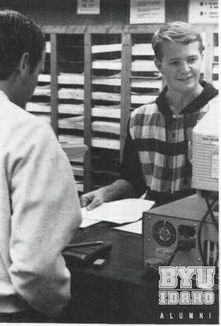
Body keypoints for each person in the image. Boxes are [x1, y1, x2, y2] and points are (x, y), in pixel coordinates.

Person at [0, 9, 81, 323]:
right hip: (7, 312)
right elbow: (36, 266)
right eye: (40, 69)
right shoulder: (28, 133)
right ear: (26, 63)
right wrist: (56, 306)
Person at [81, 21, 218, 210]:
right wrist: (105, 193)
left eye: (192, 59)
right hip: (157, 225)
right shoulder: (140, 119)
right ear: (158, 65)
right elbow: (133, 182)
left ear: (202, 58)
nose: (185, 69)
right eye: (175, 62)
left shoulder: (216, 113)